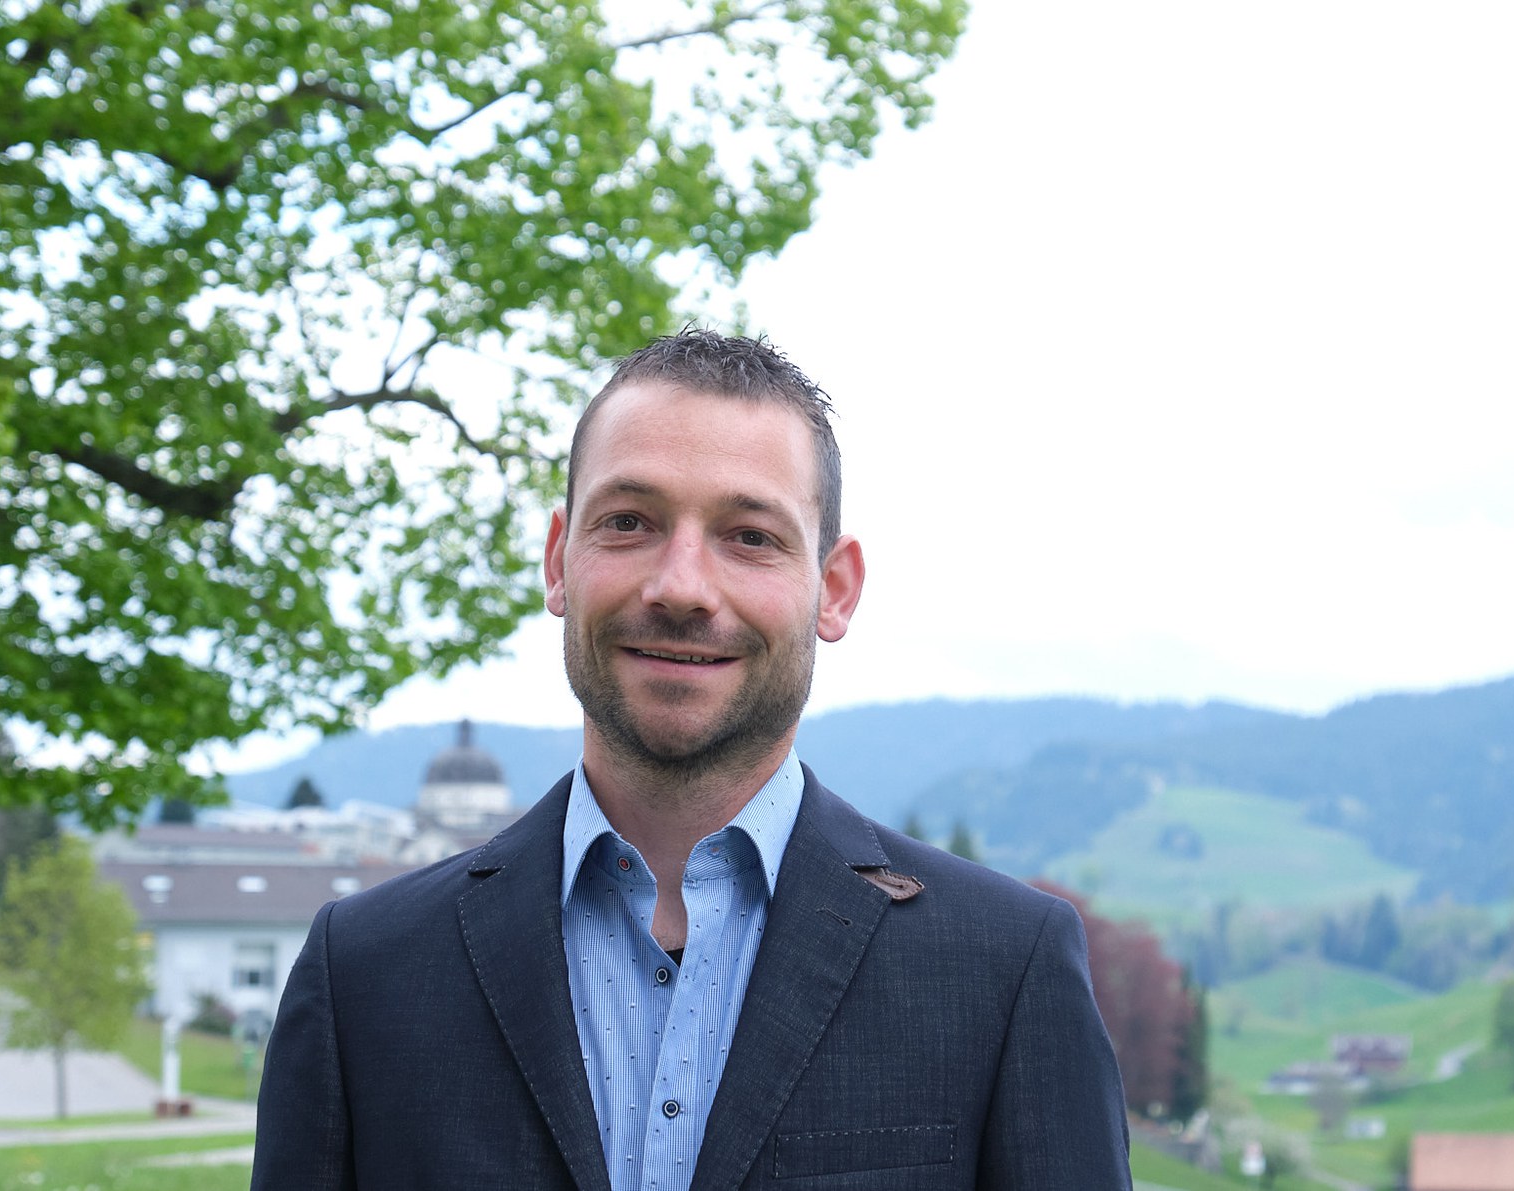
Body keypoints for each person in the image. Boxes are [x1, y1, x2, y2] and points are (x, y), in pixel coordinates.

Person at [252, 330, 1131, 1189]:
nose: (680, 586)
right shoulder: (364, 972)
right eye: (629, 522)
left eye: (749, 536)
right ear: (559, 562)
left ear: (833, 589)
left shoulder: (1003, 969)